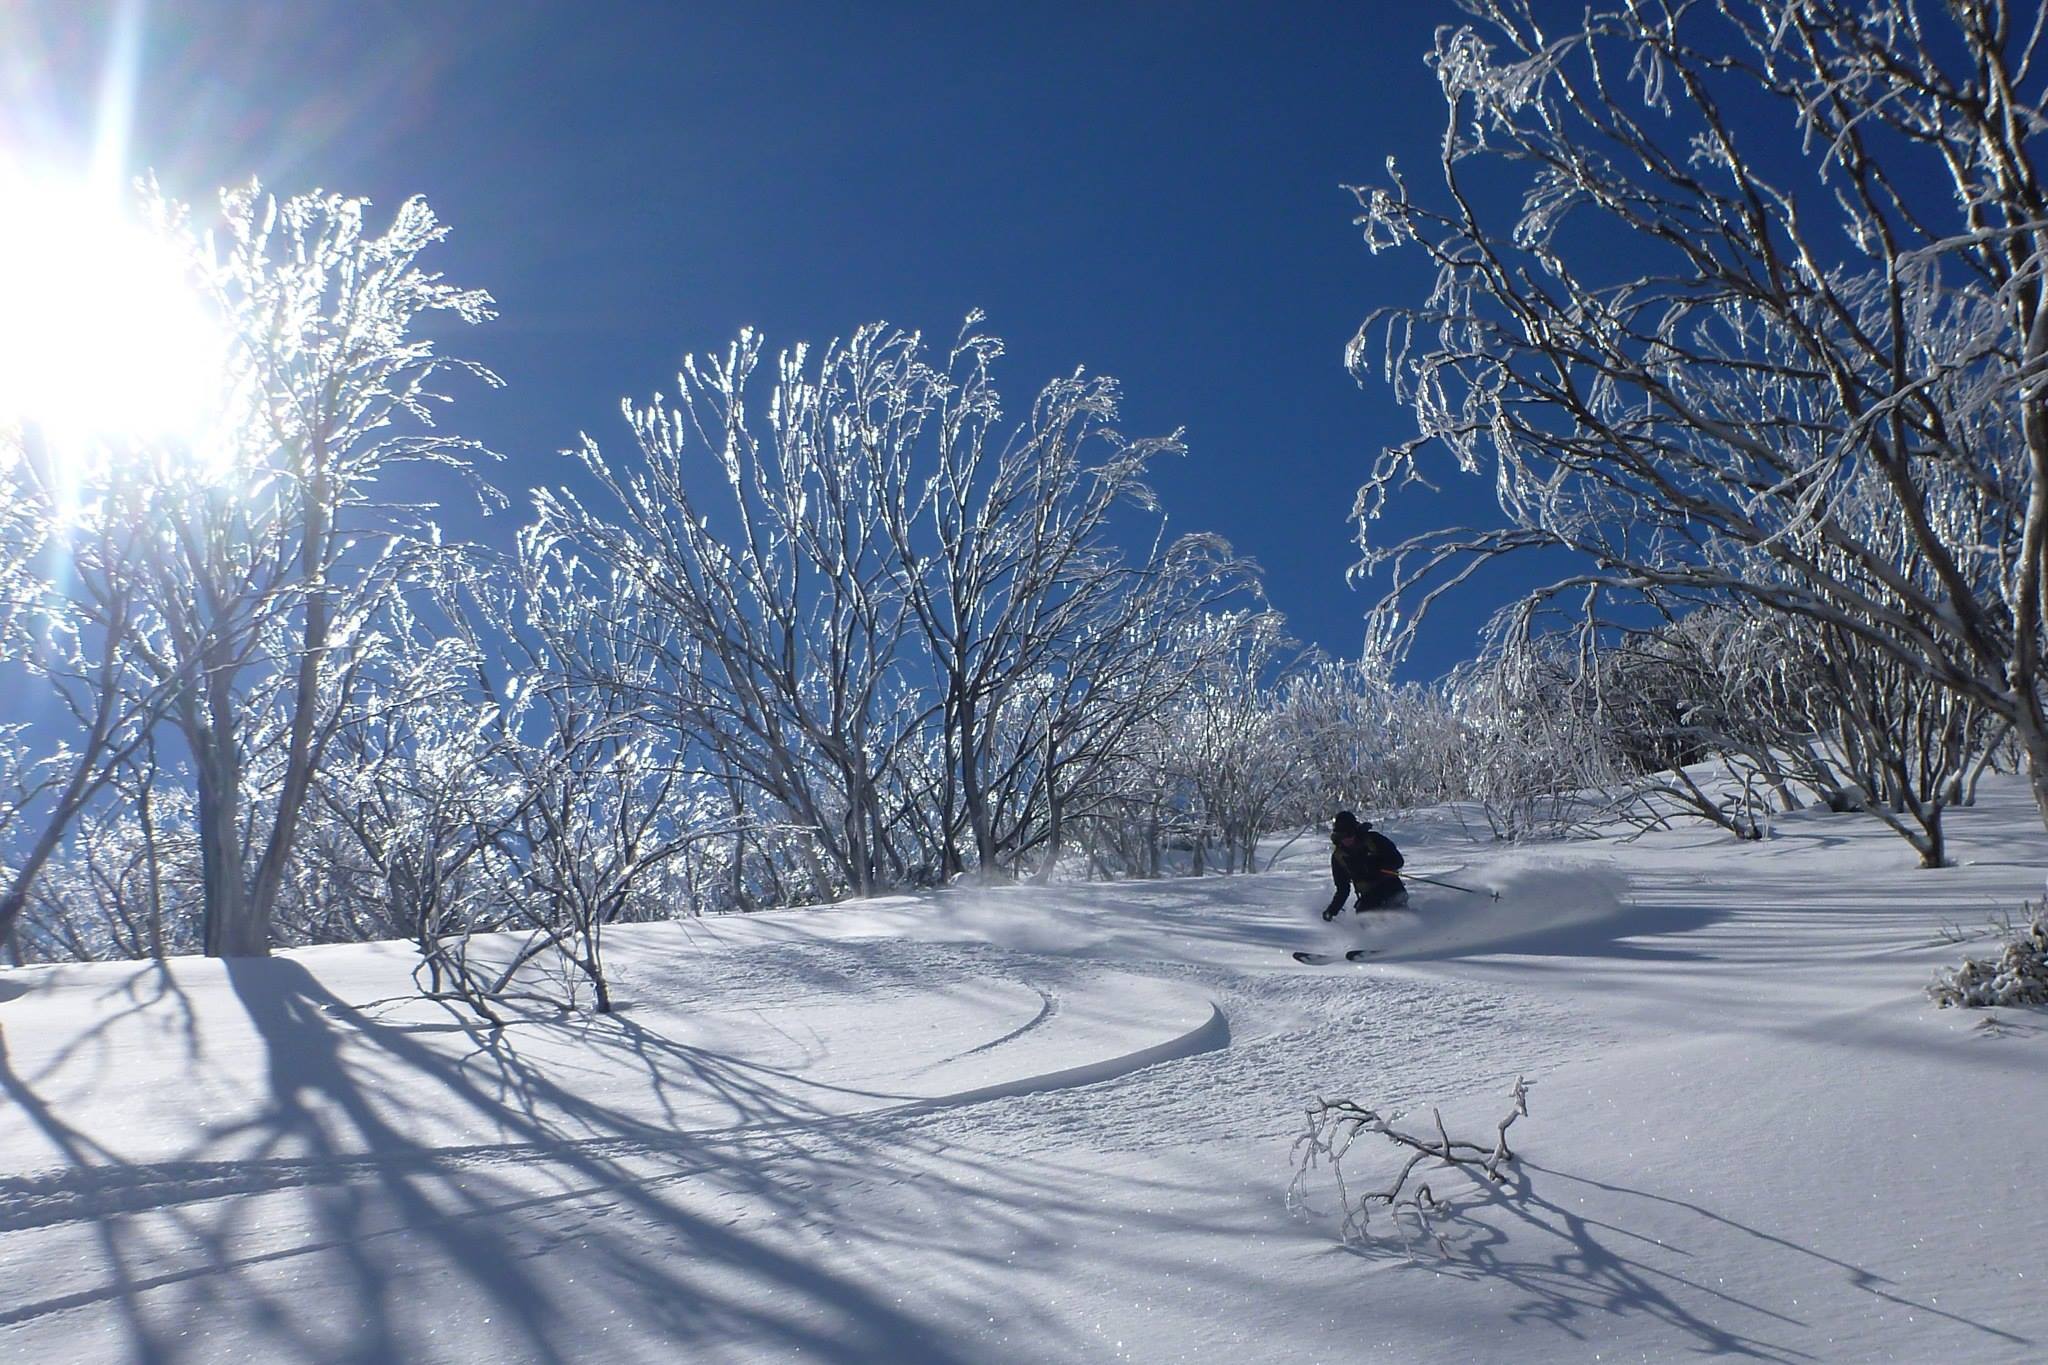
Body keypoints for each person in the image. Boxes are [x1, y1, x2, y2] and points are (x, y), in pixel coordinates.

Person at [1322, 810, 1406, 919]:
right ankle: (1376, 935)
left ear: (1356, 830)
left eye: (1349, 834)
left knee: (1396, 907)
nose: (1346, 839)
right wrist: (1332, 910)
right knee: (1364, 915)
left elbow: (1398, 861)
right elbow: (1343, 889)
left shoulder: (1374, 840)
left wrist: (1380, 864)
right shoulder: (1339, 857)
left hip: (1391, 886)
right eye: (1341, 835)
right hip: (1369, 894)